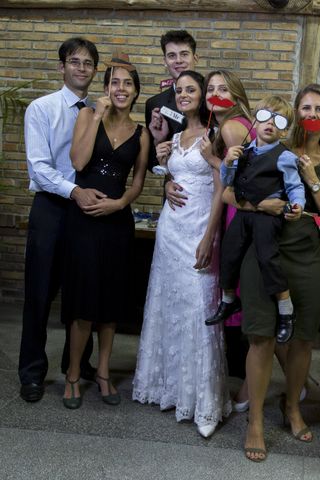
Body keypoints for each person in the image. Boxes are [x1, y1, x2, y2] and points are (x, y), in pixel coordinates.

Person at [223, 84, 320, 462]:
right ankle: (255, 422)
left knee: (303, 339)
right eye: (305, 107)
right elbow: (229, 194)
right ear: (292, 114)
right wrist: (263, 206)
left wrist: (310, 178)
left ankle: (292, 407)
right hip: (263, 251)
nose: (312, 114)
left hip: (306, 255)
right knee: (261, 336)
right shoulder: (267, 146)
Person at [133, 70, 231, 438]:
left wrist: (210, 238)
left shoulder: (215, 135)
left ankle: (204, 401)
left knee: (197, 308)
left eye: (192, 89)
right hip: (170, 231)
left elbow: (224, 185)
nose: (185, 94)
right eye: (180, 90)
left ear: (204, 95)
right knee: (168, 305)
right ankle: (169, 388)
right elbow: (173, 174)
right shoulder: (172, 137)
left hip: (199, 231)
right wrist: (167, 176)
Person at [62, 54, 149, 409]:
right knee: (83, 301)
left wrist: (119, 204)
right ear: (106, 87)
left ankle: (102, 373)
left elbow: (138, 182)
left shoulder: (141, 133)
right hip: (83, 221)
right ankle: (71, 375)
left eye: (128, 83)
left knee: (110, 304)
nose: (121, 89)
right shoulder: (87, 114)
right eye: (115, 82)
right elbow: (78, 162)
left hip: (117, 222)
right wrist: (96, 114)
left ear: (136, 92)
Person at [19, 37, 100, 403]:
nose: (81, 68)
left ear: (95, 70)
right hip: (52, 207)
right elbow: (38, 166)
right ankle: (32, 372)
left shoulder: (101, 110)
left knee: (81, 292)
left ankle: (77, 366)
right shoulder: (41, 108)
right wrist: (74, 191)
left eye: (88, 63)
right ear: (62, 66)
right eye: (74, 61)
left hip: (88, 212)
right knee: (40, 293)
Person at [209, 95, 306, 345]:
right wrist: (228, 162)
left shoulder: (284, 157)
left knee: (267, 257)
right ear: (255, 120)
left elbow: (295, 186)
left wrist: (298, 204)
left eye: (279, 120)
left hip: (267, 216)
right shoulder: (243, 151)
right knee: (228, 253)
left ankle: (286, 310)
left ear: (285, 129)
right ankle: (229, 300)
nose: (270, 123)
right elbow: (228, 183)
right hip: (243, 212)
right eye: (265, 116)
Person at [202, 69, 256, 412]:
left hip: (240, 214)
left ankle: (254, 386)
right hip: (239, 214)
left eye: (224, 89)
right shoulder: (233, 124)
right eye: (211, 89)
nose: (216, 94)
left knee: (251, 305)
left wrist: (210, 158)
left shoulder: (231, 125)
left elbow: (241, 177)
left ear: (235, 95)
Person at [144, 30, 198, 206]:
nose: (179, 61)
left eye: (184, 54)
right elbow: (153, 164)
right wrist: (157, 142)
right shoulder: (155, 104)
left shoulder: (212, 97)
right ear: (164, 61)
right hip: (174, 196)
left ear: (195, 57)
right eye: (172, 56)